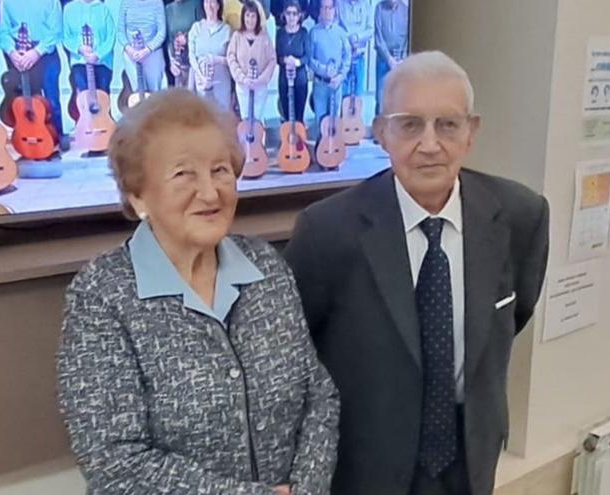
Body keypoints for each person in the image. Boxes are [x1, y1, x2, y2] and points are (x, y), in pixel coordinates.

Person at [284, 51, 550, 495]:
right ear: (381, 133)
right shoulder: (328, 231)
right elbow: (296, 356)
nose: (430, 144)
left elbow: (514, 312)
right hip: (365, 465)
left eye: (448, 124)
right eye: (409, 124)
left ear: (471, 133)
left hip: (468, 459)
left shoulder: (521, 216)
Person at [57, 89, 340, 495]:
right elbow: (115, 463)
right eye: (183, 174)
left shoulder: (266, 266)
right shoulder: (101, 297)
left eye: (221, 170)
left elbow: (318, 396)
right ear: (138, 195)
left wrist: (307, 488)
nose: (210, 193)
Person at [0, 0, 67, 147]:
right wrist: (12, 52)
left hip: (45, 53)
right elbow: (3, 32)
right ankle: (30, 138)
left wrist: (37, 52)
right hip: (19, 53)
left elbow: (56, 31)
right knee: (25, 101)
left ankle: (57, 135)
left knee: (51, 100)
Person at [228, 0, 276, 122]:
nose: (250, 20)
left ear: (258, 18)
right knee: (245, 120)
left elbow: (272, 59)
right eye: (247, 16)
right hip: (243, 86)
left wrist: (261, 79)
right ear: (243, 17)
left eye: (253, 16)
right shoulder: (237, 36)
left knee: (257, 121)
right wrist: (243, 78)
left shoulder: (264, 36)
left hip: (260, 87)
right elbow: (231, 58)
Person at [308, 0, 350, 138]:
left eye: (330, 8)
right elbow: (310, 59)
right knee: (320, 120)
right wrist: (325, 70)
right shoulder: (314, 32)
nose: (327, 11)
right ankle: (321, 152)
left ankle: (334, 153)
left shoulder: (341, 33)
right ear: (320, 10)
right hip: (320, 84)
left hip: (336, 84)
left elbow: (347, 58)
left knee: (334, 122)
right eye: (324, 8)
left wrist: (339, 76)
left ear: (335, 10)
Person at [62, 0, 116, 95]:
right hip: (79, 62)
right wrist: (79, 48)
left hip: (103, 62)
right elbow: (65, 37)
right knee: (83, 98)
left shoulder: (104, 9)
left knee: (103, 99)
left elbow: (111, 37)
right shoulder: (68, 9)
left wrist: (98, 54)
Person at [188, 0, 233, 110]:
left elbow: (232, 60)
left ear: (218, 5)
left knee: (221, 119)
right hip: (200, 83)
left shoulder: (227, 30)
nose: (209, 5)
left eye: (212, 2)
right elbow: (192, 56)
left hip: (221, 83)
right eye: (206, 2)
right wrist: (202, 77)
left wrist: (217, 60)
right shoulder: (196, 28)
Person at [118, 0, 167, 93]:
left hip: (152, 54)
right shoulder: (126, 2)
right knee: (137, 93)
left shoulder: (157, 2)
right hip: (131, 54)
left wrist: (147, 50)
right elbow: (120, 31)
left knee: (155, 93)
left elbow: (161, 33)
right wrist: (130, 50)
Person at [276, 0, 310, 123]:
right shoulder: (280, 33)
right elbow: (276, 55)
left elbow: (308, 56)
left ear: (299, 16)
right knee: (287, 115)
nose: (291, 17)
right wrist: (284, 60)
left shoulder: (304, 33)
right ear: (284, 15)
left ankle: (299, 141)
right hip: (284, 79)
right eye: (289, 13)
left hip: (300, 79)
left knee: (299, 116)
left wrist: (297, 62)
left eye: (294, 14)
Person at [373, 0, 408, 115]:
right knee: (381, 99)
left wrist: (402, 59)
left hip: (401, 62)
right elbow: (378, 38)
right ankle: (379, 132)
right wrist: (389, 59)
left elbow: (408, 37)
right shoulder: (379, 8)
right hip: (384, 60)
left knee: (399, 100)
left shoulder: (406, 10)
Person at [337, 0, 372, 100]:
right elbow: (336, 26)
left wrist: (357, 37)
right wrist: (349, 40)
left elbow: (370, 30)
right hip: (343, 57)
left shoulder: (366, 5)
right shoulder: (339, 3)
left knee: (358, 95)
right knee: (342, 96)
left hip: (359, 55)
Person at [165, 0, 203, 86]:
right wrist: (171, 61)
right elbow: (169, 40)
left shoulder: (196, 4)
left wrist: (187, 38)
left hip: (196, 59)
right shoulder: (168, 9)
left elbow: (202, 30)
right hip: (179, 61)